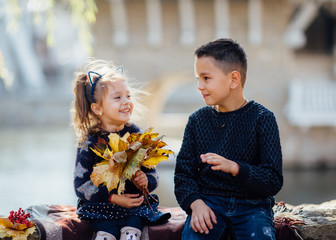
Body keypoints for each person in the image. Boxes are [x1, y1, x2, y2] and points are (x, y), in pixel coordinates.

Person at [174, 38, 283, 240]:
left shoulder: (263, 118)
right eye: (197, 78)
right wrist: (195, 204)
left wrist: (235, 168)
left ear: (233, 79)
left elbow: (273, 179)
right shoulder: (197, 120)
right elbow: (183, 175)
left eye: (206, 78)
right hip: (208, 203)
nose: (199, 85)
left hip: (253, 206)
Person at [71, 59, 170, 240]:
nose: (126, 102)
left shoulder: (136, 135)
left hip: (134, 207)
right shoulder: (90, 141)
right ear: (98, 108)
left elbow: (153, 175)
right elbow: (81, 186)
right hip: (101, 206)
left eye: (128, 96)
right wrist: (113, 198)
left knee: (132, 229)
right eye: (117, 97)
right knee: (105, 232)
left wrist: (146, 180)